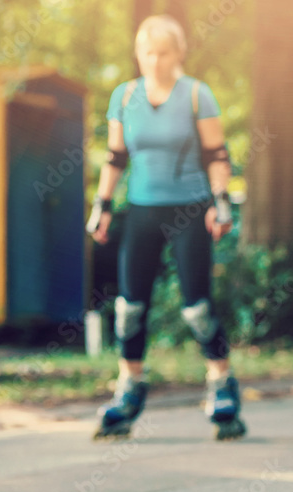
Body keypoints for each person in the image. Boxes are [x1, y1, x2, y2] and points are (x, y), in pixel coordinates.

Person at [88, 14, 245, 440]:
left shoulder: (196, 95)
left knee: (196, 308)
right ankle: (130, 386)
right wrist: (102, 205)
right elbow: (116, 157)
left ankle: (221, 382)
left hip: (191, 208)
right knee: (129, 309)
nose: (155, 61)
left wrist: (220, 202)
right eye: (148, 53)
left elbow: (216, 153)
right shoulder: (123, 97)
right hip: (141, 209)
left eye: (164, 53)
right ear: (139, 54)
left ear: (179, 54)